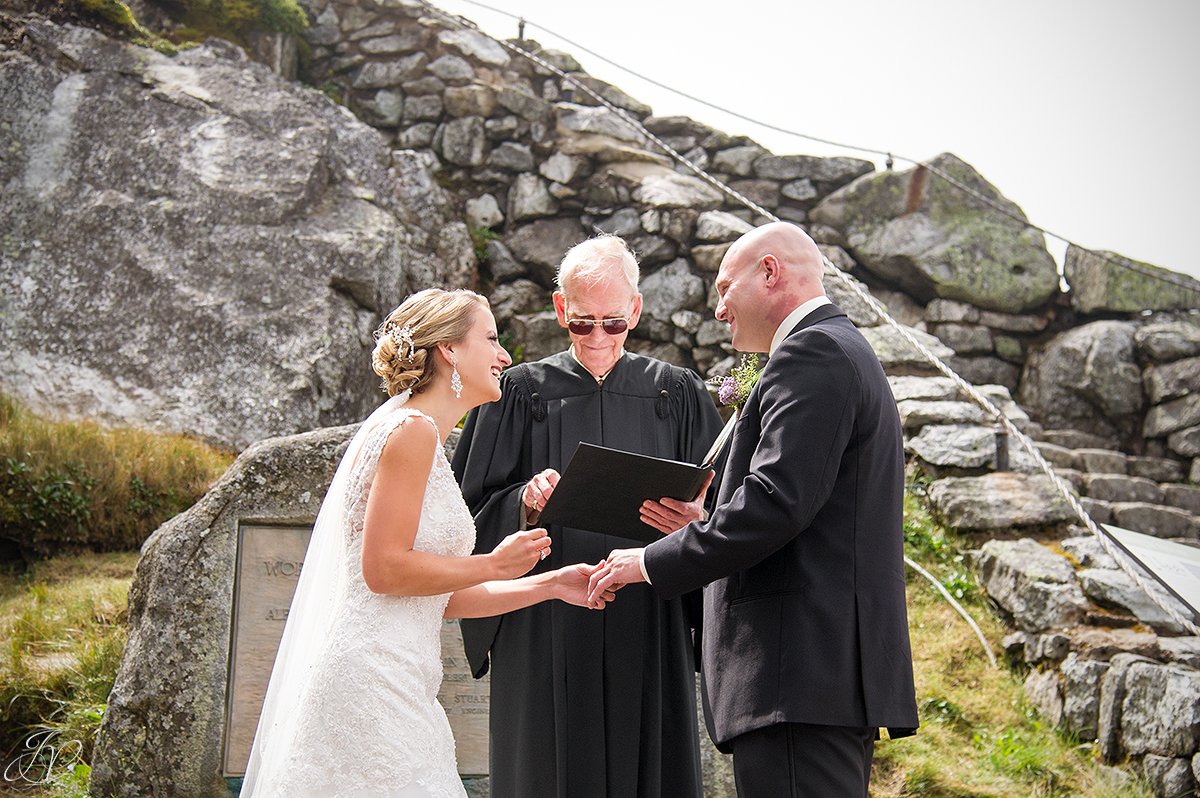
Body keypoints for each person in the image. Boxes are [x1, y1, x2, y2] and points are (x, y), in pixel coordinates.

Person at [588, 222, 919, 797]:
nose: (719, 309)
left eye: (723, 287)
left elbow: (776, 502)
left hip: (797, 676)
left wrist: (648, 562)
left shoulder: (814, 352)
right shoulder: (838, 350)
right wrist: (707, 523)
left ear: (770, 272)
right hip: (819, 678)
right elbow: (809, 501)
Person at [242, 288, 613, 798]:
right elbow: (384, 571)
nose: (505, 356)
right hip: (371, 681)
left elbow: (440, 597)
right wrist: (492, 563)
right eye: (490, 338)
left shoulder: (427, 441)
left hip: (400, 680)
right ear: (449, 350)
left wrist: (551, 585)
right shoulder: (411, 431)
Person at [451, 234, 725, 798]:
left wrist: (694, 523)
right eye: (581, 323)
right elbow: (461, 519)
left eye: (613, 323)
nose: (598, 337)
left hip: (648, 615)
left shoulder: (677, 395)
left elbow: (723, 519)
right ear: (560, 310)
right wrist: (522, 502)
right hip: (543, 624)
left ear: (636, 310)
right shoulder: (515, 396)